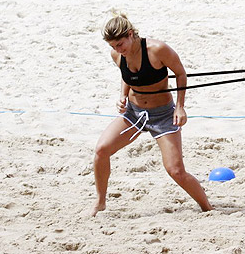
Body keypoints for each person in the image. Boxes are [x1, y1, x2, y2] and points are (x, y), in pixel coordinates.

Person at [87, 13, 212, 216]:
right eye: (113, 47)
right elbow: (127, 76)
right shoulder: (117, 55)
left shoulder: (157, 49)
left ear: (130, 34)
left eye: (120, 44)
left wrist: (180, 107)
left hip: (163, 115)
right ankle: (100, 202)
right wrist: (122, 96)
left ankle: (208, 208)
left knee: (175, 170)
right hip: (134, 113)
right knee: (101, 150)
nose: (118, 50)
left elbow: (180, 73)